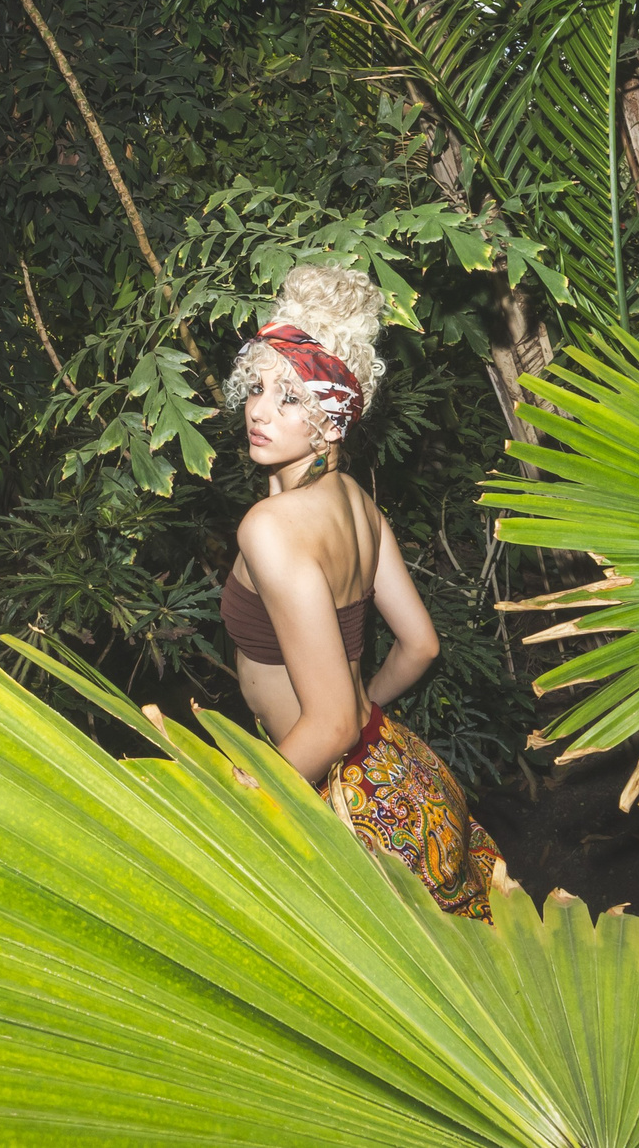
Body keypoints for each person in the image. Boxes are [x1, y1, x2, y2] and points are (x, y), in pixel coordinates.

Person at [219, 264, 501, 921]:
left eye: (290, 397)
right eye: (258, 386)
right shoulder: (356, 504)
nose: (259, 409)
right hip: (397, 770)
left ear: (331, 420)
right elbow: (420, 644)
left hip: (340, 806)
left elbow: (333, 723)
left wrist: (242, 800)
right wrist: (360, 703)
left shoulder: (269, 528)